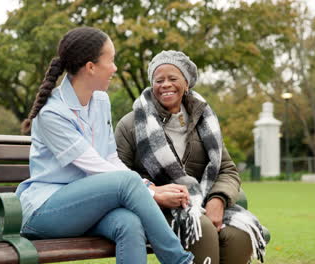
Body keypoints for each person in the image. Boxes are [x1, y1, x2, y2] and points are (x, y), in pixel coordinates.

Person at [16, 28, 195, 264]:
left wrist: (147, 187)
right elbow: (94, 167)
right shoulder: (51, 113)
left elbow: (110, 158)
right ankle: (181, 261)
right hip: (44, 212)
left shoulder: (100, 100)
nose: (115, 68)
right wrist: (152, 192)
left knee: (129, 224)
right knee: (129, 182)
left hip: (86, 207)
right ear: (91, 67)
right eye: (111, 61)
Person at [115, 50, 266, 264]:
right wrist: (155, 192)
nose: (165, 84)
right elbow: (117, 174)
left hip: (203, 201)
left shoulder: (206, 121)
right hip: (156, 208)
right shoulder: (130, 125)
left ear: (186, 83)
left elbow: (227, 169)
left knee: (239, 234)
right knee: (201, 228)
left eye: (172, 78)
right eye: (159, 80)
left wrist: (218, 200)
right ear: (152, 85)